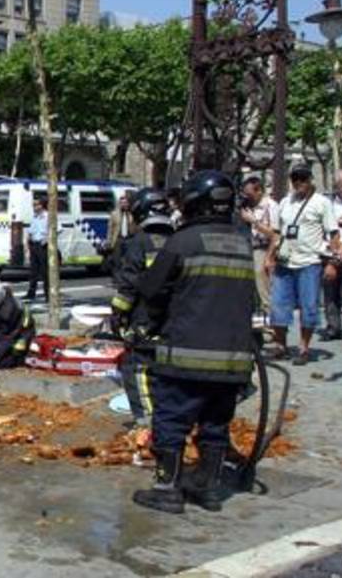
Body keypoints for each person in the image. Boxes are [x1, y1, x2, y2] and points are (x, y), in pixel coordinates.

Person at [132, 171, 255, 514]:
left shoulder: (184, 241)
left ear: (193, 204)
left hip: (186, 358)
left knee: (171, 422)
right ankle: (208, 488)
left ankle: (167, 489)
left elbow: (151, 290)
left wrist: (147, 324)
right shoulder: (242, 243)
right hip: (232, 362)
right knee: (215, 425)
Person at [109, 188, 175, 438]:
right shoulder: (181, 239)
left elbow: (129, 285)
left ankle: (147, 425)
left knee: (135, 368)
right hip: (178, 319)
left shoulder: (140, 242)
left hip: (147, 318)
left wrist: (117, 314)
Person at [265, 163, 339, 365]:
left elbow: (333, 234)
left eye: (303, 178)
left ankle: (304, 348)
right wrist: (269, 256)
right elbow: (277, 232)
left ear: (309, 180)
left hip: (310, 263)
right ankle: (280, 345)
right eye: (295, 178)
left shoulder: (322, 203)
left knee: (309, 307)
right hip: (285, 262)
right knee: (279, 305)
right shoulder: (285, 202)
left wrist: (332, 263)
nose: (299, 182)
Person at [239, 175, 277, 318]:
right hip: (247, 248)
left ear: (259, 190)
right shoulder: (247, 207)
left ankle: (272, 323)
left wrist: (254, 221)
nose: (248, 197)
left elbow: (275, 234)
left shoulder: (270, 206)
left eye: (250, 194)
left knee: (263, 289)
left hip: (262, 249)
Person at [322, 170, 342, 341]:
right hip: (330, 253)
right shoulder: (327, 204)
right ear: (337, 186)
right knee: (330, 292)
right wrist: (333, 250)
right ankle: (333, 327)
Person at [25, 197, 51, 302]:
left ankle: (48, 295)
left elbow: (58, 229)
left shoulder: (48, 216)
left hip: (43, 246)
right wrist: (27, 245)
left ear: (42, 205)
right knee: (33, 271)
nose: (34, 207)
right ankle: (31, 293)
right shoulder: (34, 217)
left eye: (36, 205)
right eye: (33, 205)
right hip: (34, 245)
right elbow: (30, 231)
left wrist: (46, 240)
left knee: (45, 272)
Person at [104, 192, 134, 272]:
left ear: (128, 204)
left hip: (128, 240)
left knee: (127, 261)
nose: (124, 205)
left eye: (126, 203)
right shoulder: (114, 214)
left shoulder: (131, 215)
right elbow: (110, 229)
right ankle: (117, 278)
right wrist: (109, 241)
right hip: (118, 239)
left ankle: (125, 277)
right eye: (122, 203)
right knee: (117, 261)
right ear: (119, 204)